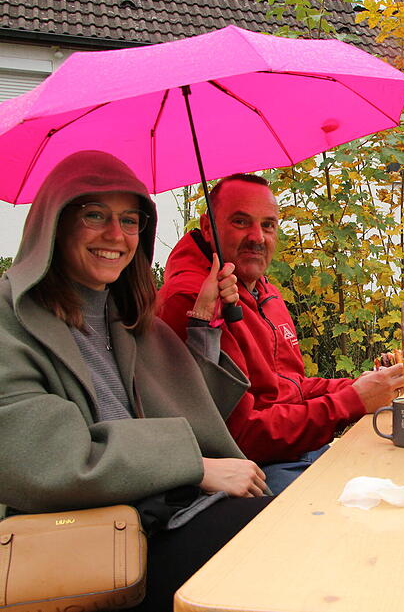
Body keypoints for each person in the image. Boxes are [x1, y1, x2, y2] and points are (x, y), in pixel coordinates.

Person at [0, 151, 272, 612]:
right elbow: (50, 460)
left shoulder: (123, 319)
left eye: (130, 221)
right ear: (54, 225)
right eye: (94, 215)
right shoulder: (13, 323)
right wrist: (198, 466)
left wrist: (204, 324)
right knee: (272, 549)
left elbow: (188, 408)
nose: (116, 236)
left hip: (166, 517)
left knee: (302, 527)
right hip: (85, 545)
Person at [156, 174, 403, 493]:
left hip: (298, 447)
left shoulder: (262, 290)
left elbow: (290, 386)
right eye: (241, 221)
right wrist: (351, 402)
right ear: (208, 228)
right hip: (255, 468)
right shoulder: (193, 301)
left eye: (268, 225)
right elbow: (242, 437)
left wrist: (366, 385)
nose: (257, 237)